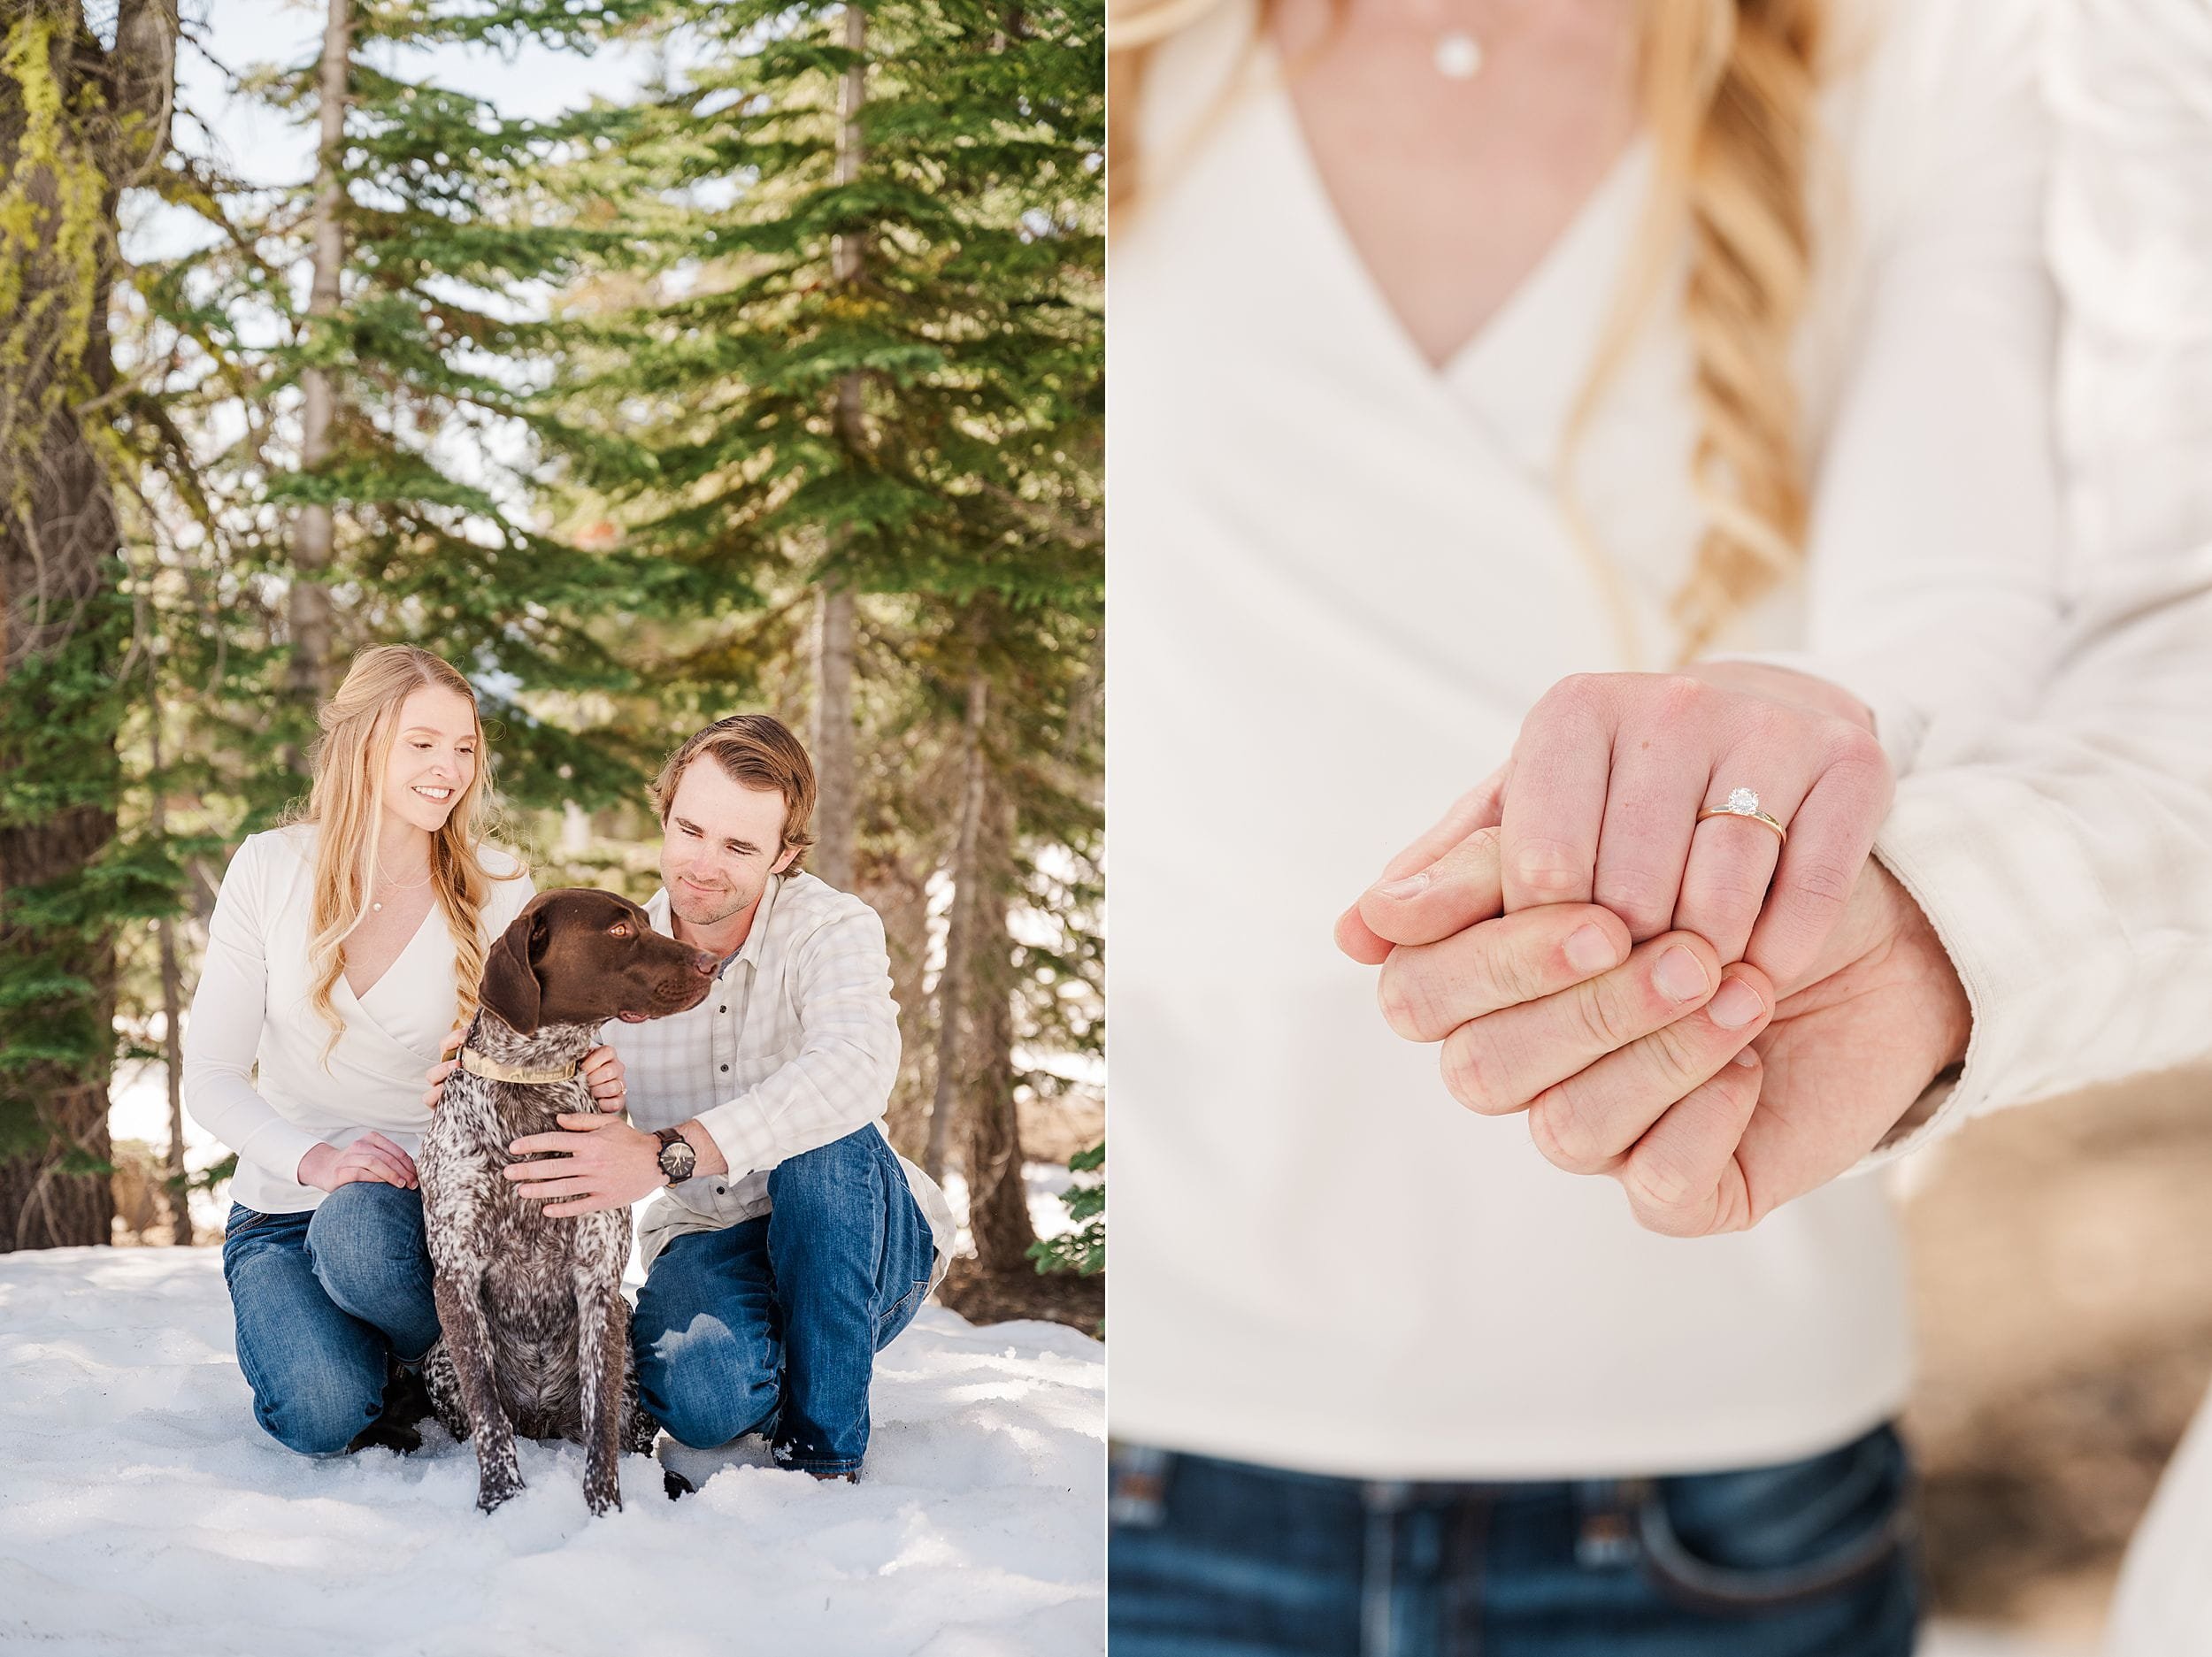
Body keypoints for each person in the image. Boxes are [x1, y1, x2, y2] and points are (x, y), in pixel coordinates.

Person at [1105, 0, 2120, 1648]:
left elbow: (1970, 598)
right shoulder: (1130, 67)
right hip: (1143, 1455)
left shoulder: (1911, 69)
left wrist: (1806, 734)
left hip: (1714, 1476)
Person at [425, 714, 955, 1481]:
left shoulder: (833, 927)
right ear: (665, 814)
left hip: (858, 1231)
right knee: (700, 1399)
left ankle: (825, 1457)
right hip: (711, 1230)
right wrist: (476, 1069)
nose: (704, 866)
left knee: (822, 1150)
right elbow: (536, 1056)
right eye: (690, 829)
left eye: (740, 846)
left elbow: (855, 1067)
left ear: (785, 855)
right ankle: (780, 1364)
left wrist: (669, 1149)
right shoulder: (617, 965)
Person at [182, 645, 622, 1456]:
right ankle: (407, 1369)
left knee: (359, 1229)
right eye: (422, 743)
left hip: (439, 1220)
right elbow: (208, 1077)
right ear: (363, 740)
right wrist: (314, 1158)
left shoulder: (496, 881)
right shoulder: (269, 868)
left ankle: (435, 1359)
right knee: (320, 1413)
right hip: (283, 1209)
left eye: (463, 748)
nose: (447, 769)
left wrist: (586, 1071)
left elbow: (543, 1048)